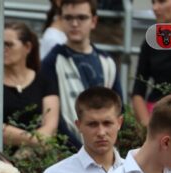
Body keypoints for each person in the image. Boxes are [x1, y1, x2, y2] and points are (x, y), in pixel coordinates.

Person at [40, 0, 122, 149]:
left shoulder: (107, 61)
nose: (75, 24)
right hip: (66, 151)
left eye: (82, 17)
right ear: (61, 20)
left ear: (94, 21)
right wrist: (78, 150)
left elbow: (119, 108)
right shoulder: (50, 62)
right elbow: (54, 119)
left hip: (105, 149)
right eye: (69, 18)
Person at [0, 22, 59, 148]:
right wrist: (35, 140)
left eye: (9, 44)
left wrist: (27, 152)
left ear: (27, 47)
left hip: (38, 158)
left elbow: (51, 127)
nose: (2, 49)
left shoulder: (45, 80)